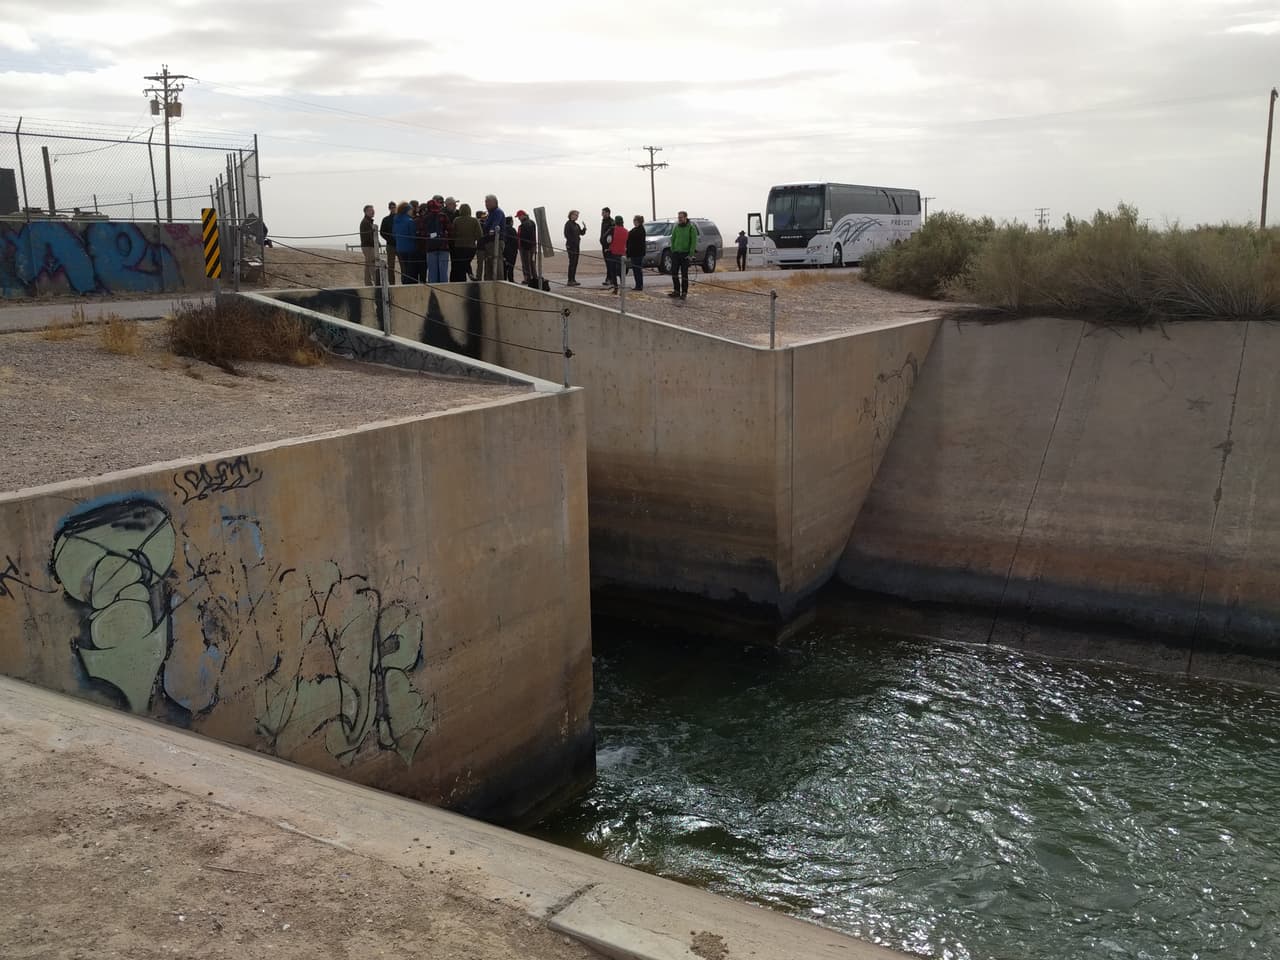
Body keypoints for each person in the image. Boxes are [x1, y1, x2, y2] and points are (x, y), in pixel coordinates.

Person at [668, 210, 698, 300]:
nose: (679, 219)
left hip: (685, 254)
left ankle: (684, 292)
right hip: (676, 254)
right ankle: (676, 291)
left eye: (681, 217)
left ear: (685, 217)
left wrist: (691, 254)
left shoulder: (691, 228)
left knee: (684, 274)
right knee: (674, 272)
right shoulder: (676, 227)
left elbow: (693, 241)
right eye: (678, 217)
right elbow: (672, 239)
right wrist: (672, 250)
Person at [421, 199, 451, 284]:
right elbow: (450, 229)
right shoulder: (443, 216)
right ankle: (444, 292)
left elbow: (422, 233)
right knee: (443, 273)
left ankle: (433, 292)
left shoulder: (425, 218)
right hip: (443, 247)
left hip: (430, 248)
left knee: (432, 273)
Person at [450, 202, 482, 282]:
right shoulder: (474, 220)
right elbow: (480, 235)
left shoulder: (456, 220)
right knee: (466, 262)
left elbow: (452, 233)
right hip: (471, 247)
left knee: (461, 265)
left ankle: (465, 278)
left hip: (459, 247)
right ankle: (470, 273)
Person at [480, 194, 506, 280]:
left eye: (488, 202)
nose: (486, 204)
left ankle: (498, 282)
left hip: (495, 241)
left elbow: (495, 225)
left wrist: (491, 230)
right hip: (488, 242)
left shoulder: (497, 212)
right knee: (489, 264)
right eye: (485, 202)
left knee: (496, 263)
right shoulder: (490, 213)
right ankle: (489, 282)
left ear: (494, 202)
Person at [392, 202, 418, 283]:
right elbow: (413, 236)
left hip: (400, 248)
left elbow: (393, 234)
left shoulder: (396, 221)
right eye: (411, 210)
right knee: (411, 270)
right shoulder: (410, 221)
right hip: (410, 249)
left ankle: (404, 283)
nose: (412, 211)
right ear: (407, 210)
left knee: (404, 269)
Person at [563, 210, 586, 286]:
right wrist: (571, 242)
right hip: (571, 246)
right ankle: (570, 280)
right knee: (572, 263)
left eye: (577, 215)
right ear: (571, 215)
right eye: (575, 215)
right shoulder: (568, 224)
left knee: (575, 263)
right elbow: (566, 234)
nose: (577, 216)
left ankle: (573, 279)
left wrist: (584, 228)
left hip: (577, 246)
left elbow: (581, 233)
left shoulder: (576, 225)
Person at [607, 215, 627, 293]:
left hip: (613, 252)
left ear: (615, 222)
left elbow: (606, 239)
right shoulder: (626, 231)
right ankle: (622, 287)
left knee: (613, 272)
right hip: (622, 253)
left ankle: (615, 288)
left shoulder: (612, 229)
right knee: (621, 272)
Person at [359, 204, 378, 286]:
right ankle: (377, 283)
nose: (373, 211)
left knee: (368, 266)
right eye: (370, 210)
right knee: (372, 265)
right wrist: (376, 243)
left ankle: (368, 284)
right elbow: (368, 237)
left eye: (373, 210)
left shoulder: (368, 222)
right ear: (366, 212)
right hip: (368, 247)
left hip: (368, 246)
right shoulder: (365, 222)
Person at [626, 215, 647, 291]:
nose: (634, 222)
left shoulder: (640, 230)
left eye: (635, 221)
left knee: (637, 270)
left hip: (638, 253)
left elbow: (633, 239)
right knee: (636, 270)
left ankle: (639, 285)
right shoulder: (635, 229)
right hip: (634, 253)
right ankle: (638, 285)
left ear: (638, 221)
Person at [516, 210, 537, 284]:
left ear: (523, 216)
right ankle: (534, 277)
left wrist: (524, 246)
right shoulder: (532, 222)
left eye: (519, 217)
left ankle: (528, 278)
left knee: (526, 263)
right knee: (532, 262)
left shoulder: (524, 225)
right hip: (532, 246)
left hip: (525, 247)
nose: (518, 218)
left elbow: (524, 237)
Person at [380, 201, 398, 284]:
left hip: (400, 244)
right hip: (390, 245)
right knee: (391, 266)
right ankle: (392, 284)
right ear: (389, 208)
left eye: (394, 207)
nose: (393, 209)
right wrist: (390, 239)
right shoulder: (386, 219)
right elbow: (382, 232)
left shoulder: (399, 218)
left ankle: (405, 282)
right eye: (391, 207)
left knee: (404, 265)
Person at [502, 216, 519, 282]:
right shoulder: (512, 230)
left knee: (504, 267)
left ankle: (504, 279)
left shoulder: (503, 229)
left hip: (504, 250)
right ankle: (511, 280)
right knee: (511, 267)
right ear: (510, 222)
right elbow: (515, 241)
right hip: (511, 251)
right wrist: (516, 249)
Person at [599, 207, 614, 285]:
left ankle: (610, 279)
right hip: (604, 245)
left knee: (609, 262)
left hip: (609, 246)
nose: (602, 214)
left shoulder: (611, 222)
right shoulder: (603, 221)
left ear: (608, 213)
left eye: (603, 212)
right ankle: (609, 278)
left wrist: (608, 245)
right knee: (607, 262)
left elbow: (611, 235)